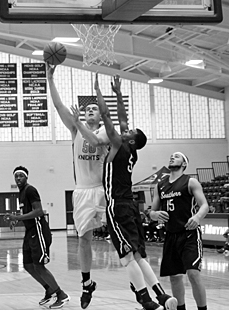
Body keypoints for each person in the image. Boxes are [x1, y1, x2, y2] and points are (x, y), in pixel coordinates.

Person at [74, 73, 177, 310]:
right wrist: (119, 94)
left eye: (130, 132)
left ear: (131, 141)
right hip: (130, 205)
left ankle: (143, 297)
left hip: (116, 205)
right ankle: (161, 296)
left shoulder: (118, 144)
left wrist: (98, 91)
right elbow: (121, 119)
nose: (126, 130)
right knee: (139, 255)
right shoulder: (131, 150)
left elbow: (109, 118)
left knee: (127, 256)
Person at [46, 64, 110, 309]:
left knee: (116, 236)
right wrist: (50, 78)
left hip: (101, 190)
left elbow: (96, 140)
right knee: (84, 240)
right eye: (87, 109)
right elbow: (59, 106)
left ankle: (139, 282)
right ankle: (86, 282)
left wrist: (80, 120)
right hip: (82, 190)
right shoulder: (75, 129)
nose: (90, 111)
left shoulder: (105, 131)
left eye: (95, 109)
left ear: (100, 114)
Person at [5, 166, 70, 309]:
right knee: (28, 265)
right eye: (16, 176)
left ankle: (61, 294)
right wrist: (16, 220)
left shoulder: (30, 190)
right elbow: (27, 212)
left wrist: (18, 216)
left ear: (26, 177)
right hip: (30, 232)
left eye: (21, 176)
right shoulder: (21, 193)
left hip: (38, 230)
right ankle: (49, 289)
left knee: (39, 266)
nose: (18, 178)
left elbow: (39, 211)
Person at [150, 152, 209, 310]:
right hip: (171, 235)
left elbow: (204, 205)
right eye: (171, 156)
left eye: (176, 156)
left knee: (193, 273)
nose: (172, 157)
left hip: (189, 233)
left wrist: (197, 217)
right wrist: (154, 214)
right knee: (175, 277)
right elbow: (152, 211)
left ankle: (202, 309)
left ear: (184, 163)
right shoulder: (160, 185)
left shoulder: (190, 181)